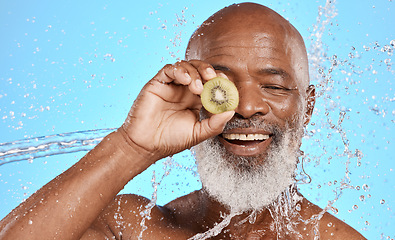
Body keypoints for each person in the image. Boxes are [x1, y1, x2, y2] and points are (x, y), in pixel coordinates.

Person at [0, 2, 366, 239]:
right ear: (195, 95)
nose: (248, 107)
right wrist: (131, 147)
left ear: (307, 108)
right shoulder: (130, 227)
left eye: (273, 86)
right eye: (222, 85)